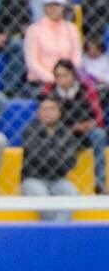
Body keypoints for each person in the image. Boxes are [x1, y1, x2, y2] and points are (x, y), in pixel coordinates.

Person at [44, 59, 107, 193]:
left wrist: (90, 124)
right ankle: (55, 181)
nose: (61, 80)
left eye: (65, 75)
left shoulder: (86, 88)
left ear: (73, 75)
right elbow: (45, 118)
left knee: (99, 134)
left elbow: (99, 117)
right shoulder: (50, 90)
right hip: (61, 132)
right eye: (58, 76)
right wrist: (71, 127)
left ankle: (100, 183)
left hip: (84, 132)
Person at [21, 97, 79, 221]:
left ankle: (59, 229)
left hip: (58, 179)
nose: (48, 112)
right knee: (41, 195)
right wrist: (59, 156)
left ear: (59, 113)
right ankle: (53, 231)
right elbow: (36, 158)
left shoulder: (66, 132)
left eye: (52, 109)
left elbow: (71, 162)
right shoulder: (30, 131)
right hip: (33, 178)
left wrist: (49, 155)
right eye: (44, 109)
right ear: (38, 113)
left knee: (72, 192)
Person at [24, 0, 82, 85]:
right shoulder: (34, 30)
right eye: (49, 5)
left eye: (57, 5)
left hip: (69, 79)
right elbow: (32, 63)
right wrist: (54, 79)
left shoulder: (71, 28)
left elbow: (77, 56)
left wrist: (68, 76)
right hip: (41, 81)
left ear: (63, 7)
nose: (53, 8)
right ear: (44, 7)